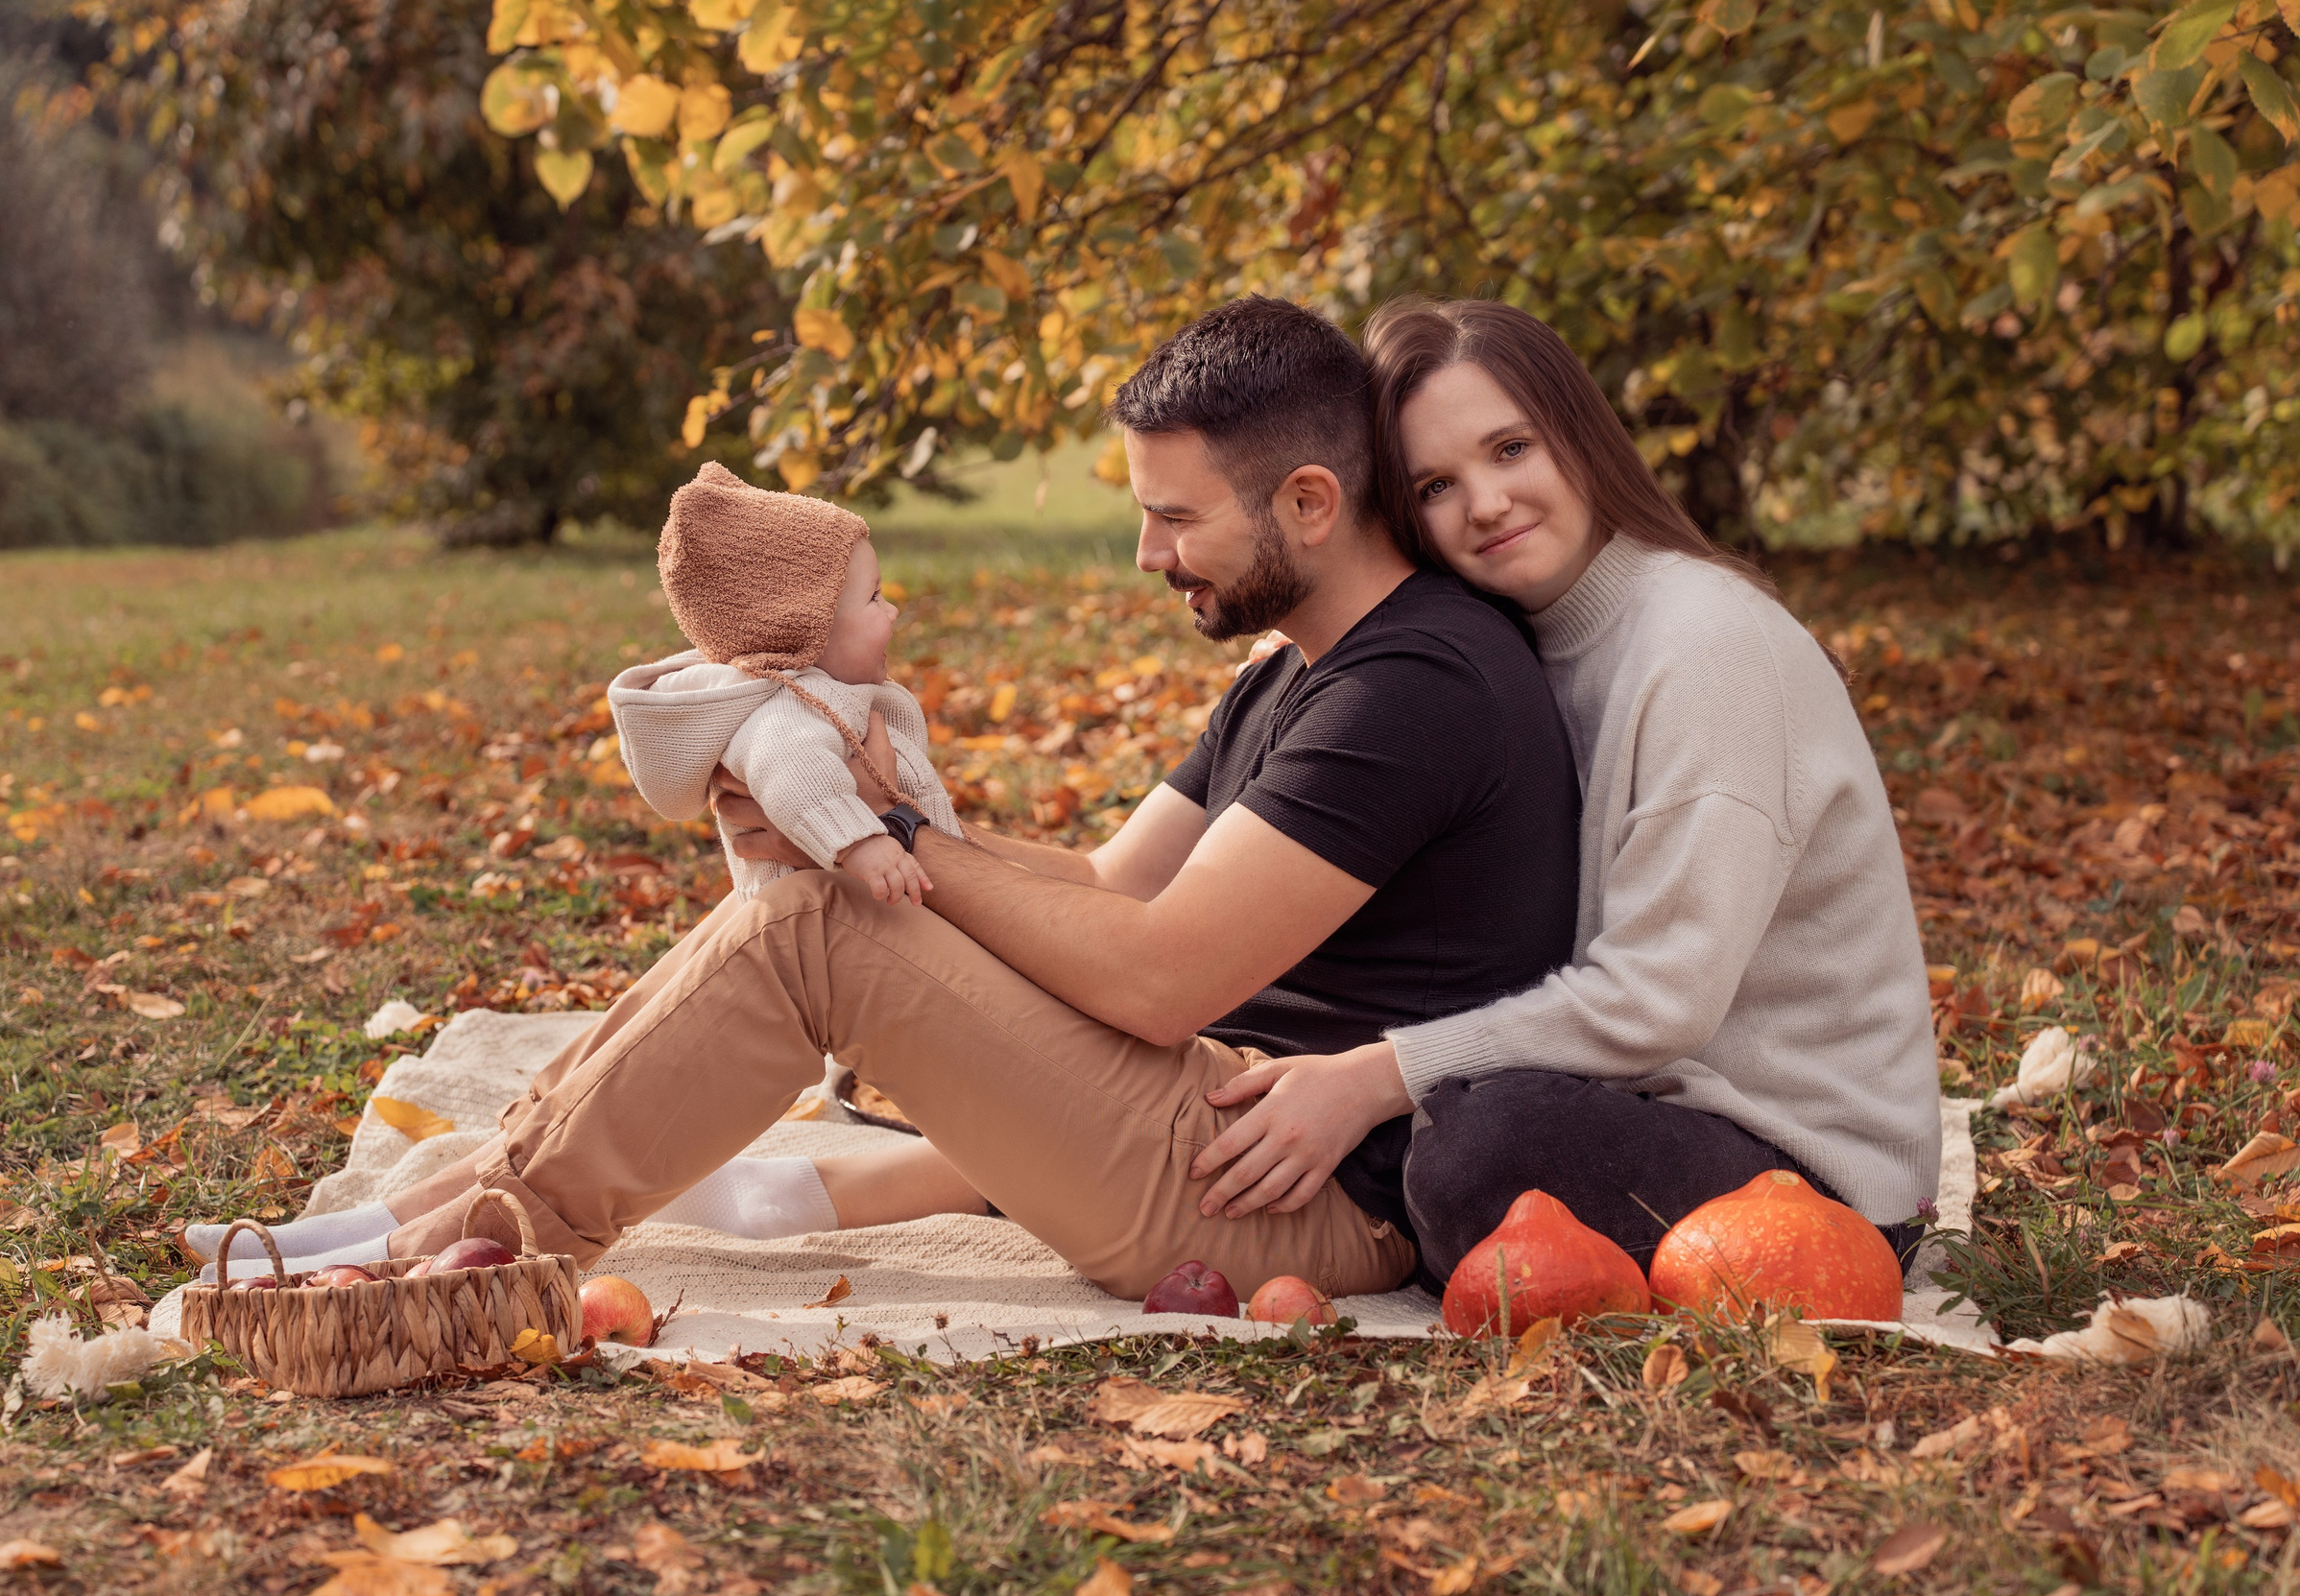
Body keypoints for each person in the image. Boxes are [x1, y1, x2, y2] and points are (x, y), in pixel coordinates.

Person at [190, 296, 1584, 1299]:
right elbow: (1108, 885)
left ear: (1310, 503)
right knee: (829, 897)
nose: (1146, 553)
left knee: (825, 926)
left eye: (1176, 517)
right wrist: (874, 821)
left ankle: (478, 1237)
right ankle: (455, 1196)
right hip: (1217, 1113)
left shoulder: (1418, 689)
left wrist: (899, 849)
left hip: (1299, 1201)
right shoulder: (1303, 665)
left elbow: (1156, 978)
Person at [1188, 298, 1942, 1290]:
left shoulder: (1704, 647)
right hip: (1634, 1096)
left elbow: (1658, 998)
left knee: (1475, 1149)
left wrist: (1380, 1076)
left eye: (1511, 449)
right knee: (1419, 1126)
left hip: (1805, 1173)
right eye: (1436, 484)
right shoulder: (1506, 644)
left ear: (1578, 436)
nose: (1487, 503)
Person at [610, 459, 960, 909]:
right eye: (874, 597)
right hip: (824, 914)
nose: (892, 610)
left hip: (872, 902)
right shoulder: (784, 708)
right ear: (805, 629)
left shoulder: (825, 693)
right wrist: (861, 843)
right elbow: (791, 768)